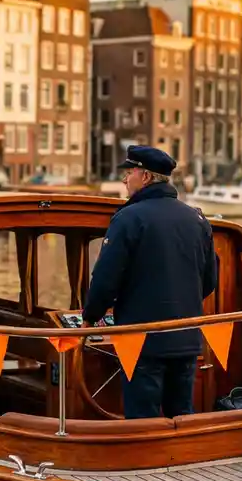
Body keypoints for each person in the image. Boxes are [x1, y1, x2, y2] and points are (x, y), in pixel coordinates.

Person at [82, 145, 219, 419]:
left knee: (142, 418)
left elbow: (106, 279)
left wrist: (91, 317)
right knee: (181, 414)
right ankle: (185, 462)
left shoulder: (128, 218)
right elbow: (210, 280)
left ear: (144, 177)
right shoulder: (197, 219)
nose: (124, 179)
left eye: (129, 172)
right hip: (186, 336)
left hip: (141, 341)